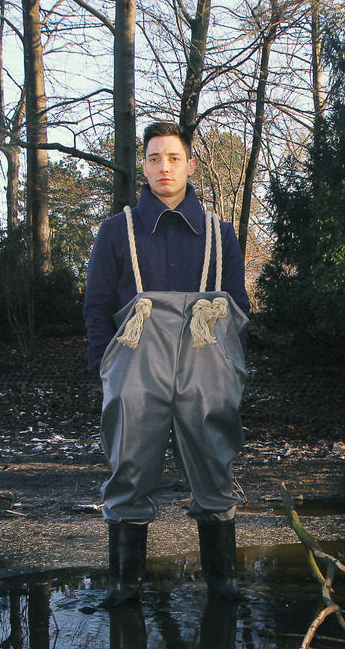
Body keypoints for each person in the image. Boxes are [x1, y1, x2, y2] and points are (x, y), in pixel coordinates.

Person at [84, 122, 251, 607]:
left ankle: (223, 585)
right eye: (155, 158)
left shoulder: (221, 234)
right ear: (144, 166)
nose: (164, 167)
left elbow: (238, 304)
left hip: (206, 363)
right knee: (130, 466)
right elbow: (96, 305)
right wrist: (107, 365)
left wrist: (230, 367)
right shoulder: (118, 231)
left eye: (174, 158)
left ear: (190, 165)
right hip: (136, 365)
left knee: (214, 465)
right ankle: (123, 587)